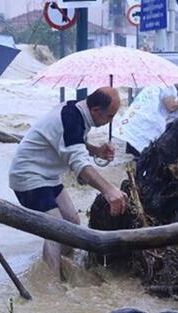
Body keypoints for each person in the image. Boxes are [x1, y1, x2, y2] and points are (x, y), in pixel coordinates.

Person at [8, 87, 127, 277]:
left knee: (72, 221)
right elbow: (79, 165)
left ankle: (66, 270)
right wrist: (109, 190)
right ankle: (52, 287)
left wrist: (97, 151)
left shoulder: (76, 110)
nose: (110, 121)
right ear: (96, 110)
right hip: (28, 176)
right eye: (110, 116)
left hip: (48, 176)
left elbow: (71, 142)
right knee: (55, 230)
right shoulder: (71, 119)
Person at [115, 84, 178, 157]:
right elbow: (171, 107)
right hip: (144, 126)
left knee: (137, 158)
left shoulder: (156, 84)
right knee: (145, 158)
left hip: (135, 123)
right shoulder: (168, 86)